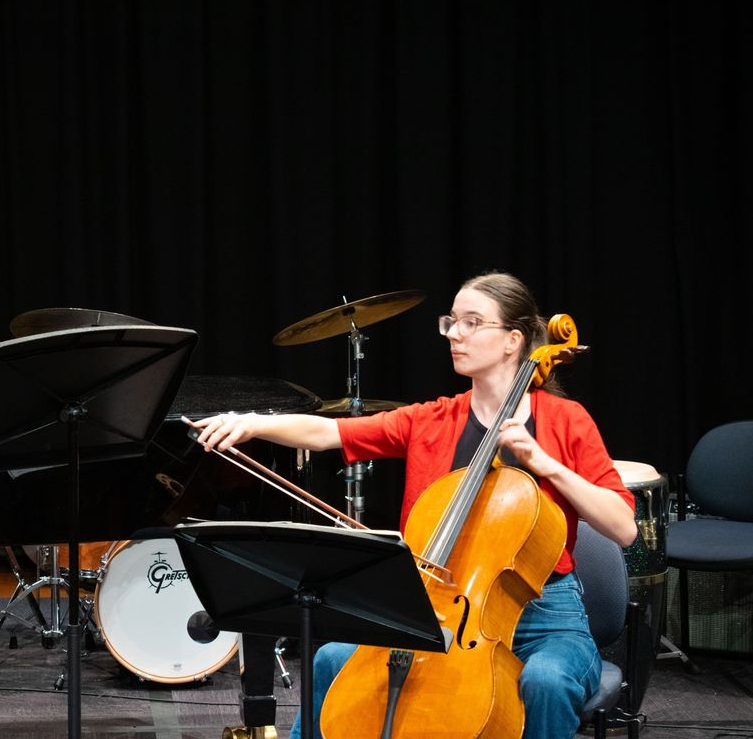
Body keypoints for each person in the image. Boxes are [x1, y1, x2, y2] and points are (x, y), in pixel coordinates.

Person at [191, 272, 637, 739]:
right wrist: (249, 424)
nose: (455, 334)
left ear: (512, 340)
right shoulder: (432, 419)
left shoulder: (565, 420)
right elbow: (329, 432)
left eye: (471, 322)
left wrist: (545, 464)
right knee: (331, 660)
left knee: (545, 682)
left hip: (545, 618)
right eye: (452, 322)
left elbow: (623, 526)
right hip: (438, 609)